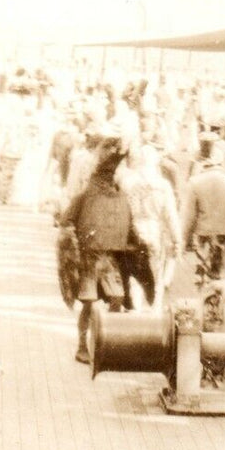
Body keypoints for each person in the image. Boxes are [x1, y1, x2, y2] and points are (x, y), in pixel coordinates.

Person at [59, 137, 133, 364]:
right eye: (106, 178)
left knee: (117, 298)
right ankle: (82, 346)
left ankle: (106, 343)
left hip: (109, 259)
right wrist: (72, 243)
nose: (108, 182)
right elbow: (66, 220)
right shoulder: (85, 195)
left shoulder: (120, 197)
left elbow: (128, 226)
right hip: (89, 258)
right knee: (89, 303)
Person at [123, 144, 183, 304]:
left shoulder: (127, 183)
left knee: (136, 275)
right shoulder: (163, 186)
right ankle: (155, 309)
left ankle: (136, 311)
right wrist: (177, 239)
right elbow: (171, 216)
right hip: (155, 231)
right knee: (156, 274)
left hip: (134, 232)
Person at [181, 136, 225, 280]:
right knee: (217, 274)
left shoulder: (195, 182)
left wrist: (184, 240)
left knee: (203, 274)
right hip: (224, 236)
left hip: (204, 234)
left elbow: (188, 216)